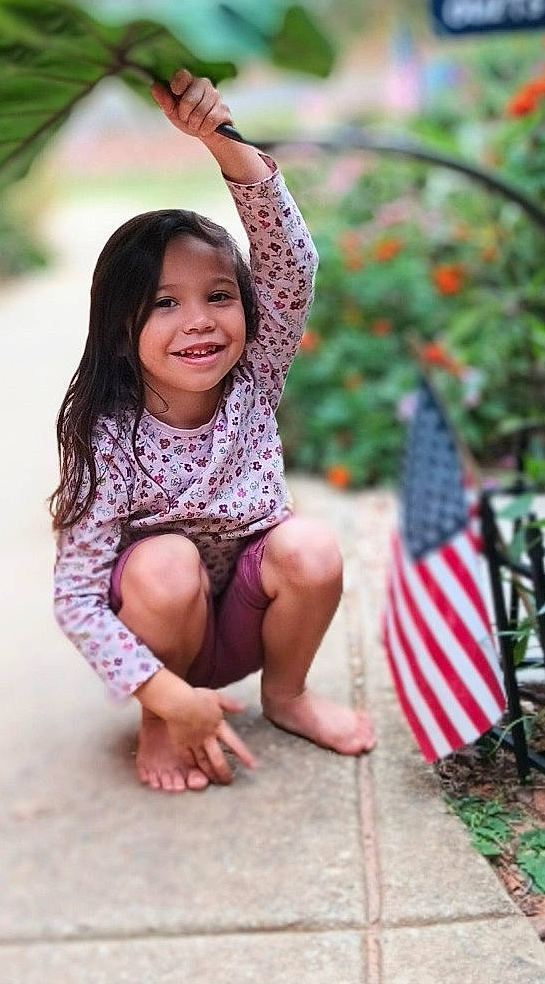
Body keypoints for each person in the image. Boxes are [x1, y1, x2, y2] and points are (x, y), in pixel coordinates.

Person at [51, 67, 376, 793]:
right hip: (160, 637)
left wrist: (221, 141)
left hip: (248, 626)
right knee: (164, 563)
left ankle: (287, 697)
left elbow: (291, 263)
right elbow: (75, 596)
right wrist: (164, 696)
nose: (199, 320)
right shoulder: (106, 440)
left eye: (218, 296)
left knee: (311, 545)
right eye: (165, 303)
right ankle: (163, 723)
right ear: (119, 327)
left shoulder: (252, 379)